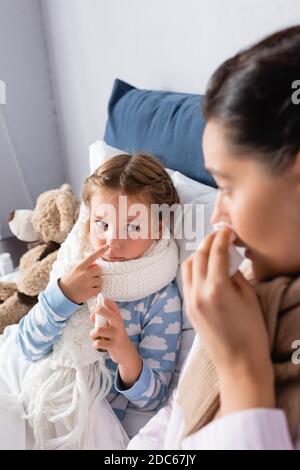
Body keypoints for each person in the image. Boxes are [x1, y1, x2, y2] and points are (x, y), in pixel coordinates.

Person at [129, 25, 300, 450]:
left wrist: (244, 372)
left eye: (226, 185)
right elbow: (176, 413)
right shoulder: (242, 288)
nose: (218, 216)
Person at [0, 153, 182, 450]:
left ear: (159, 228)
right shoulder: (73, 265)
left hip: (88, 413)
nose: (113, 241)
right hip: (36, 381)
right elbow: (27, 346)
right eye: (102, 224)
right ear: (88, 220)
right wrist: (64, 296)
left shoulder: (161, 298)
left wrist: (123, 349)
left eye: (133, 227)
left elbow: (153, 398)